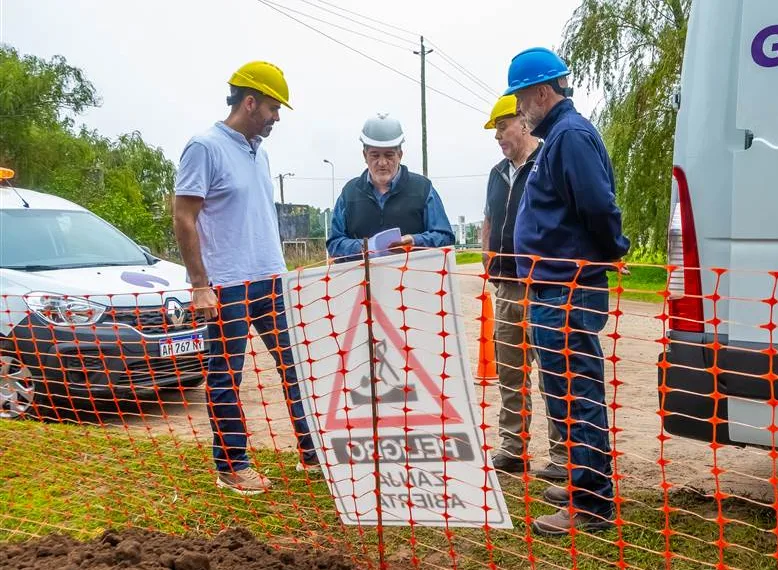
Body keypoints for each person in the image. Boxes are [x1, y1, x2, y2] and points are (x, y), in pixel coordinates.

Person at [172, 61, 319, 495]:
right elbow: (184, 217)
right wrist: (200, 284)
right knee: (226, 374)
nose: (277, 117)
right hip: (227, 284)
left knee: (296, 367)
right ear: (250, 102)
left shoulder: (260, 150)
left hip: (269, 279)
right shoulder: (204, 147)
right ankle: (232, 465)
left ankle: (312, 452)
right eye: (274, 108)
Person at [504, 47, 631, 535]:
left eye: (521, 99)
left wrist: (609, 251)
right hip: (551, 289)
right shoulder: (555, 138)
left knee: (577, 393)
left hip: (566, 289)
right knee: (564, 391)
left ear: (542, 92)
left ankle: (592, 503)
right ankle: (584, 482)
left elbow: (598, 207)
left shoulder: (570, 137)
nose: (519, 109)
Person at [481, 95, 567, 482]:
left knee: (552, 372)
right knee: (510, 374)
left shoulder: (546, 163)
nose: (498, 136)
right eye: (496, 129)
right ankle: (513, 449)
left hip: (540, 286)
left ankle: (564, 456)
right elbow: (488, 218)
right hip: (504, 286)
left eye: (502, 126)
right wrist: (486, 256)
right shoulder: (497, 173)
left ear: (523, 122)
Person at [326, 113, 454, 260]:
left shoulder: (423, 189)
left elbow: (445, 237)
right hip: (363, 281)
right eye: (374, 155)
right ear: (364, 155)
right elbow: (334, 244)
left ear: (400, 155)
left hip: (413, 279)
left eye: (389, 155)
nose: (382, 162)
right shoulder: (349, 193)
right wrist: (365, 247)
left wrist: (415, 241)